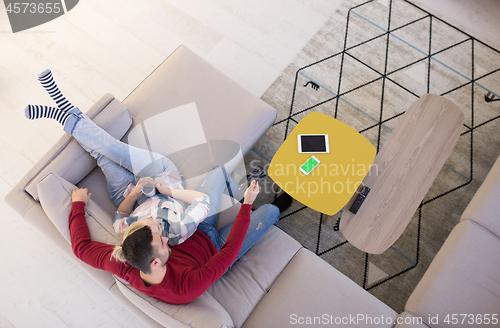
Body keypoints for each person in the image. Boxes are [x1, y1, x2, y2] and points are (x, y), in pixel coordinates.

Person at [27, 69, 280, 304]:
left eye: (157, 230)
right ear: (157, 260)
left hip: (194, 220)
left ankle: (64, 113)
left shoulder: (127, 259)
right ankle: (65, 112)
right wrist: (247, 204)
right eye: (161, 237)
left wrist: (79, 204)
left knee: (216, 172)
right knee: (270, 212)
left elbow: (81, 250)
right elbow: (230, 249)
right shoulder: (187, 288)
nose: (163, 231)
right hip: (214, 245)